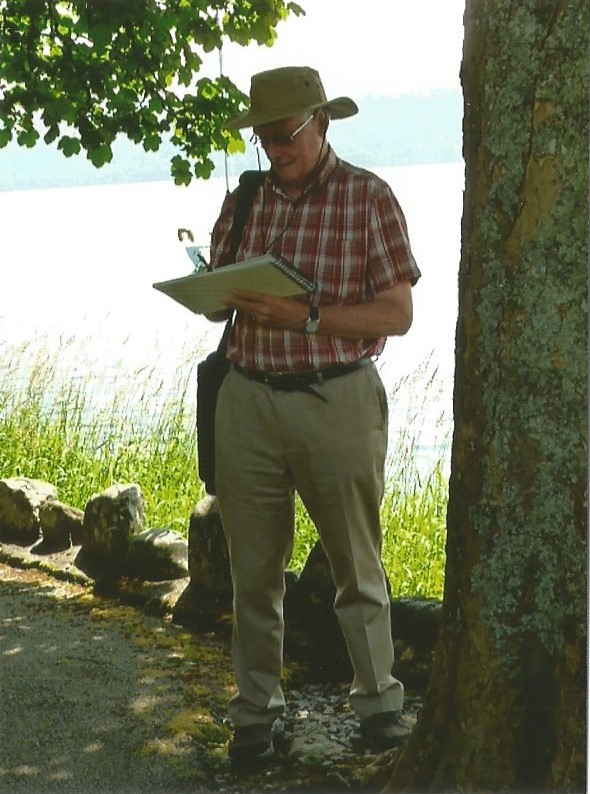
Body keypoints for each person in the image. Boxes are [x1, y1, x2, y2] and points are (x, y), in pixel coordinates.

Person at [206, 66, 421, 761]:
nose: (275, 150)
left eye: (285, 135)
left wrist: (306, 315)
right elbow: (218, 294)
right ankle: (255, 716)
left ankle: (380, 707)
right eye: (264, 139)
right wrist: (211, 289)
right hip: (247, 398)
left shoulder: (368, 198)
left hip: (338, 396)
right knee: (254, 572)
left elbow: (398, 313)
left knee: (358, 566)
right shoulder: (243, 200)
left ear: (321, 123)